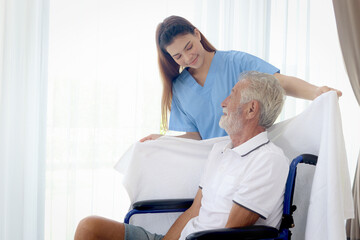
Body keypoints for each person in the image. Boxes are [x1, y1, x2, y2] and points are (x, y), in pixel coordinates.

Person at [75, 71, 289, 240]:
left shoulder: (268, 160)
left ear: (251, 109)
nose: (223, 102)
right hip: (186, 236)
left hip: (206, 239)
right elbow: (194, 210)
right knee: (89, 228)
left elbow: (232, 231)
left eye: (232, 94)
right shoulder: (220, 151)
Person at [140, 15, 342, 142]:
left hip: (250, 159)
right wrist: (162, 142)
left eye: (189, 47)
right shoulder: (180, 88)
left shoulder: (236, 62)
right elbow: (195, 138)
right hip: (213, 167)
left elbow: (280, 82)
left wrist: (316, 92)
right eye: (178, 56)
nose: (187, 58)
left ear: (197, 34)